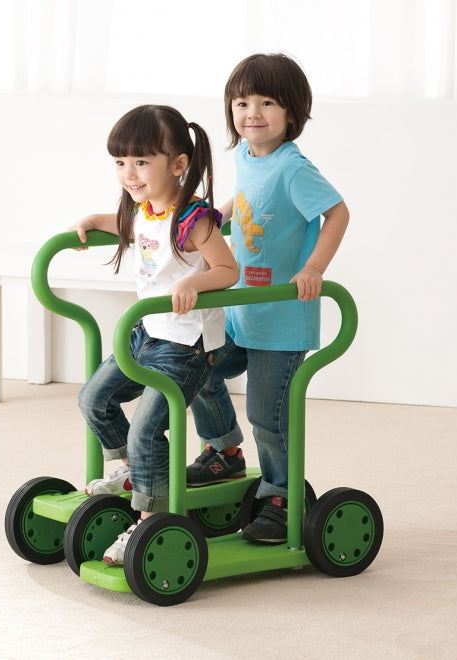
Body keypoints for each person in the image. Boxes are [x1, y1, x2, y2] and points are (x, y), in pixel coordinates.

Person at [188, 53, 350, 545]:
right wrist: (214, 220)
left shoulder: (294, 168)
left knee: (267, 416)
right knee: (193, 367)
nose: (252, 113)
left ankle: (281, 494)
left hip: (280, 321)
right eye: (241, 103)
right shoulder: (246, 156)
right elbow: (246, 202)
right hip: (242, 311)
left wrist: (313, 268)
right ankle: (224, 450)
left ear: (292, 112)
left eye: (267, 103)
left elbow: (337, 213)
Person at [70, 104, 239, 565]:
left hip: (185, 346)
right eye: (120, 162)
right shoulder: (143, 208)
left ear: (178, 164)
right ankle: (133, 472)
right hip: (147, 333)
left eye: (141, 162)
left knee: (147, 429)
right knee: (93, 400)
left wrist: (194, 282)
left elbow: (227, 269)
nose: (129, 173)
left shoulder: (193, 219)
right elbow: (129, 225)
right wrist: (93, 221)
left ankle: (150, 518)